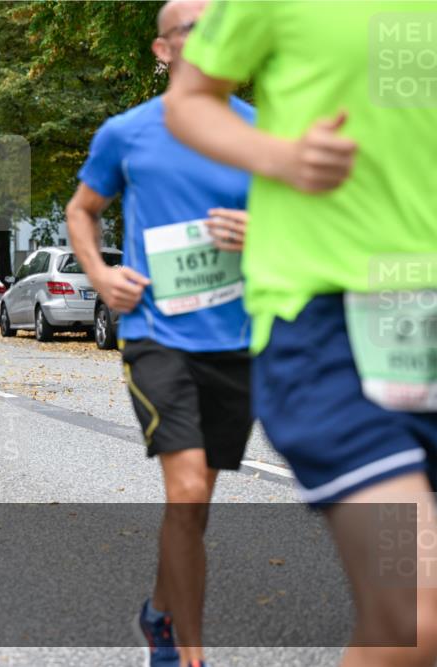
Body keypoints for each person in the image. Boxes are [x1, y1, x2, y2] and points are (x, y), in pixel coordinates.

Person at [165, 2, 437, 665]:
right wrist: (282, 156)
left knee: (393, 627)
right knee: (417, 612)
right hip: (331, 326)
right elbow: (190, 99)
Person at [65, 3, 255, 666]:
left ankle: (159, 613)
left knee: (196, 504)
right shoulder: (129, 132)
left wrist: (267, 236)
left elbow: (307, 227)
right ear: (162, 50)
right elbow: (82, 210)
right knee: (188, 488)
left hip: (236, 340)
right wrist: (99, 274)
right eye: (194, 31)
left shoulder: (262, 134)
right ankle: (187, 653)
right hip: (157, 333)